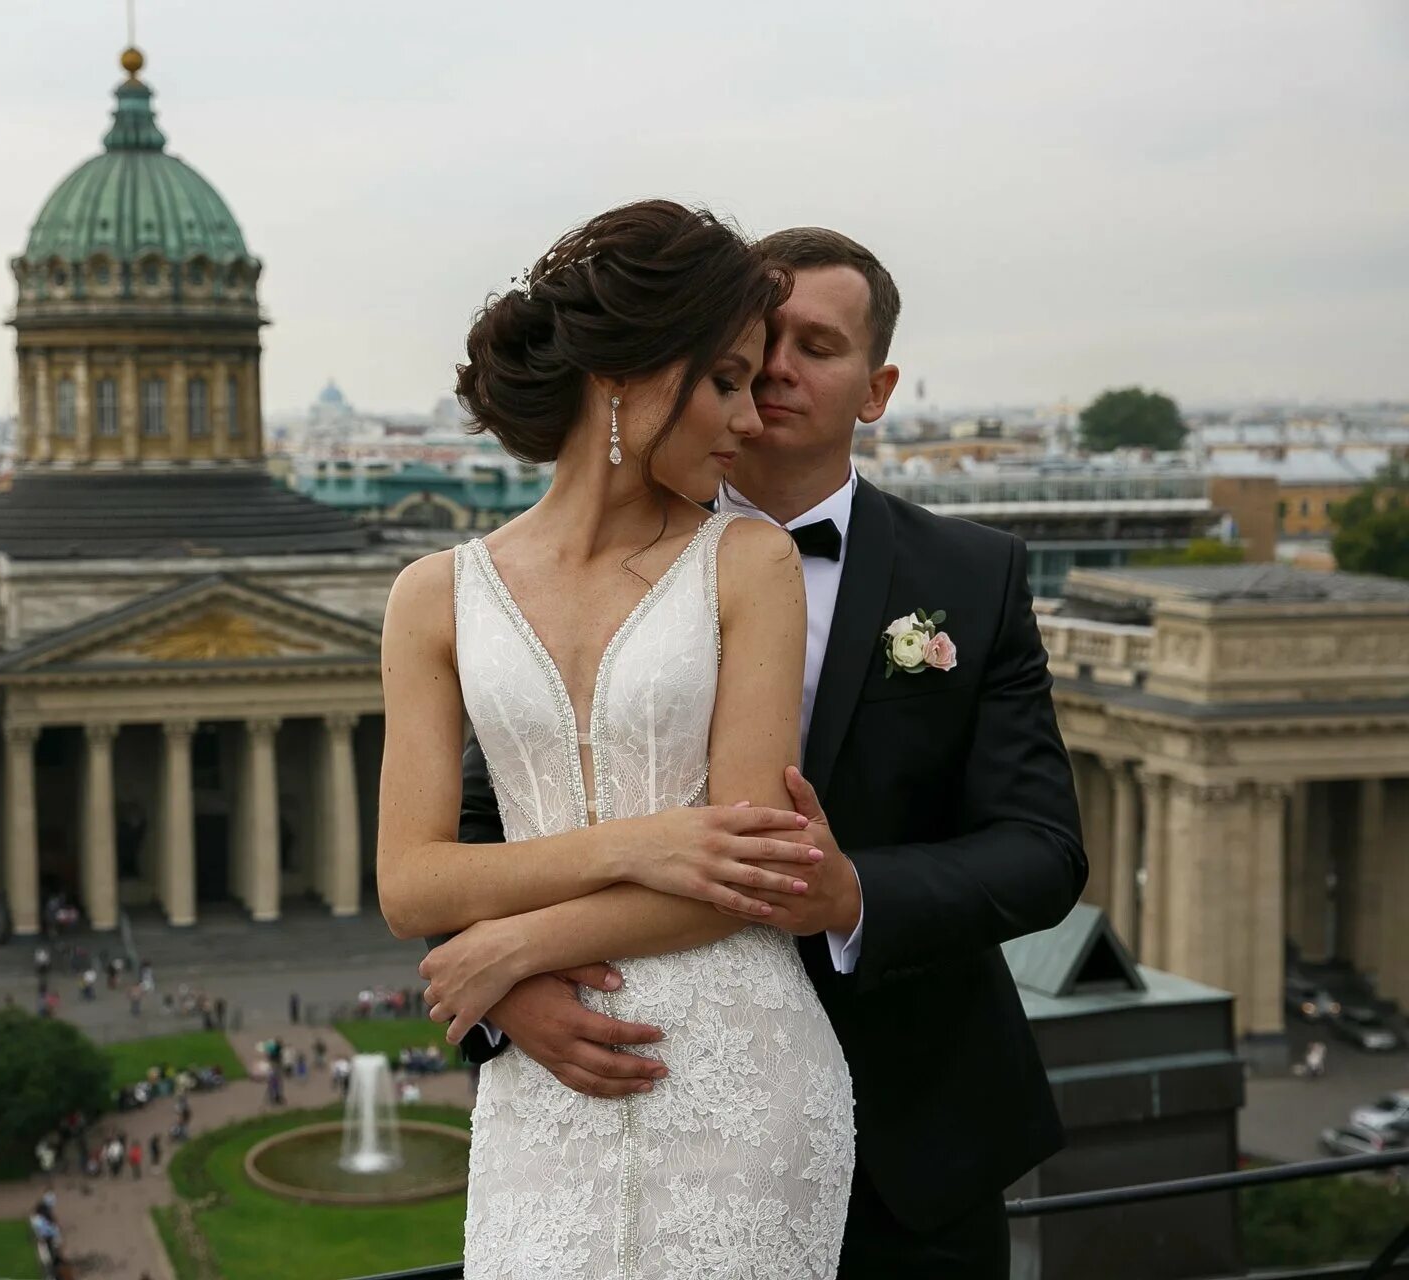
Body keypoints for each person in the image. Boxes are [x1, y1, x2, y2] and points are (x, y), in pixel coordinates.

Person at [434, 224, 1085, 1278]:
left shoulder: (975, 576)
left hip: (917, 1137)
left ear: (877, 389)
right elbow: (486, 817)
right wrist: (504, 993)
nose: (775, 371)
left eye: (816, 347)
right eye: (754, 344)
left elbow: (1044, 849)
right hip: (646, 1095)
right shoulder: (589, 566)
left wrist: (850, 896)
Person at [379, 200, 847, 1276]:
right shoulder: (433, 597)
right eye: (726, 379)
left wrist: (512, 946)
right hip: (543, 1077)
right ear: (625, 377)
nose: (750, 416)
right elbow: (410, 883)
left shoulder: (751, 561)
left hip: (738, 1068)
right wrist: (634, 843)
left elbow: (746, 867)